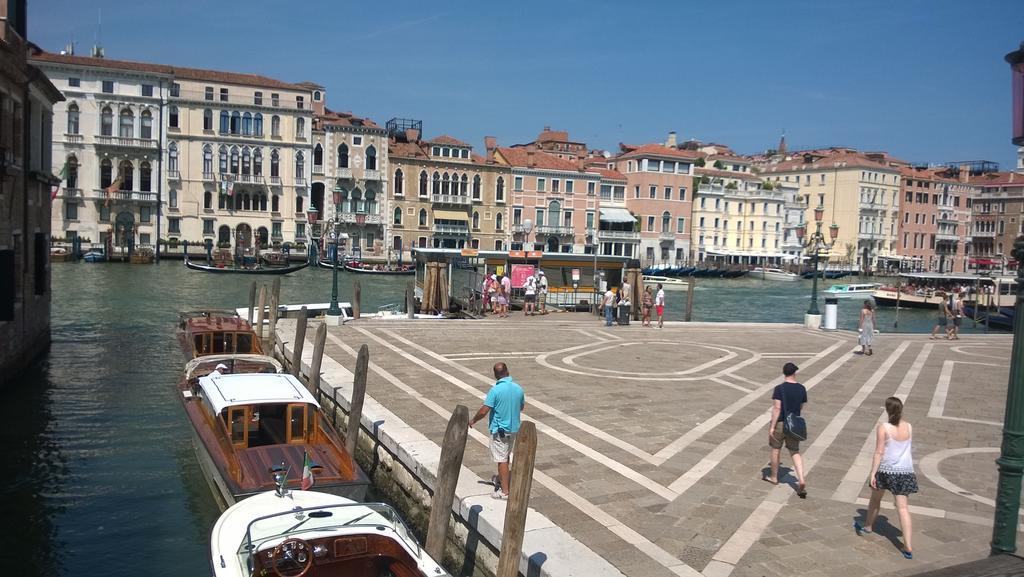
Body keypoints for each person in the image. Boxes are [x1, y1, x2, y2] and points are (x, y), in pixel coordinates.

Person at [855, 396, 917, 560]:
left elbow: (879, 452)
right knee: (903, 508)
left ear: (887, 410)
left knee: (875, 499)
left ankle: (868, 526)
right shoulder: (909, 427)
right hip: (905, 471)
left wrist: (873, 472)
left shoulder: (883, 427)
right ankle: (908, 546)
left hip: (886, 470)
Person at [469, 362, 525, 500]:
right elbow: (521, 407)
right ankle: (501, 479)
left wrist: (473, 420)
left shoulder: (495, 390)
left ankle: (505, 491)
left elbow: (484, 410)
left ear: (495, 375)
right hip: (514, 430)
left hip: (500, 431)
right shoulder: (518, 388)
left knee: (502, 460)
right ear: (507, 371)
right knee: (505, 456)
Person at [765, 362, 807, 498]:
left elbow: (777, 408)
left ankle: (773, 477)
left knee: (776, 449)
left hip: (781, 423)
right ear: (795, 373)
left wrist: (772, 426)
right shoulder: (801, 388)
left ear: (784, 373)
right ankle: (801, 479)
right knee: (795, 451)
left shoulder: (779, 388)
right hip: (793, 425)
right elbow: (800, 407)